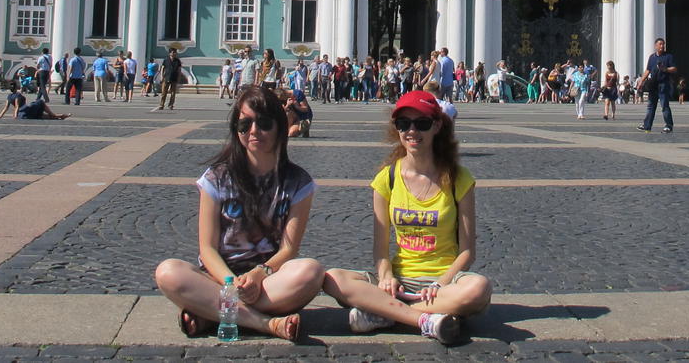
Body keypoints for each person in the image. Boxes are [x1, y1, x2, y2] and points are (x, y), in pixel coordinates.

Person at [321, 90, 491, 345]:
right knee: (332, 278)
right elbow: (380, 252)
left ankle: (386, 312)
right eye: (403, 124)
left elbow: (467, 253)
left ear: (436, 126)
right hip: (400, 281)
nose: (412, 132)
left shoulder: (458, 179)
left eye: (421, 124)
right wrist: (387, 276)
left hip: (442, 283)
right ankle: (425, 318)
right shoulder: (386, 179)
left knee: (479, 289)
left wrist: (440, 284)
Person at [155, 86, 321, 342]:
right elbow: (207, 248)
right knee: (167, 272)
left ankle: (210, 313)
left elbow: (289, 250)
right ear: (237, 130)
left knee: (311, 272)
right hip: (219, 278)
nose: (254, 131)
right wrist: (231, 285)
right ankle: (266, 324)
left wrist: (258, 274)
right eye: (245, 125)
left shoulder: (299, 183)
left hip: (267, 281)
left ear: (279, 126)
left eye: (263, 123)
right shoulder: (216, 178)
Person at [637, 38, 676, 133]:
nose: (662, 46)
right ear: (656, 46)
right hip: (653, 85)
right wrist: (641, 81)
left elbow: (674, 69)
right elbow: (648, 70)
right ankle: (647, 126)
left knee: (664, 106)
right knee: (650, 106)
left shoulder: (668, 56)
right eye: (660, 44)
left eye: (663, 44)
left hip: (663, 84)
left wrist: (665, 69)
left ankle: (668, 125)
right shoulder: (652, 57)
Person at [0, 90, 71, 120]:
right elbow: (17, 106)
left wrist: (0, 116)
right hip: (25, 111)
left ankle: (61, 116)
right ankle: (55, 114)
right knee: (40, 102)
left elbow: (6, 107)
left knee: (43, 116)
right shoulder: (17, 95)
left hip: (23, 115)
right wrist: (15, 116)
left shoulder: (9, 96)